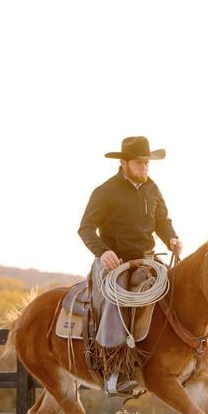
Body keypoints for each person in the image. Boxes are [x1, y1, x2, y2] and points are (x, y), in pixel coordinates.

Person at [78, 136, 183, 394]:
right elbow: (86, 229)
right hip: (116, 262)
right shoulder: (105, 191)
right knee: (117, 299)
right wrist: (103, 253)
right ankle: (114, 371)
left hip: (147, 258)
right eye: (139, 163)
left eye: (147, 163)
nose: (144, 168)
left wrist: (171, 237)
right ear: (123, 163)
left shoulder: (152, 188)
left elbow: (162, 220)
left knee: (184, 286)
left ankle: (202, 354)